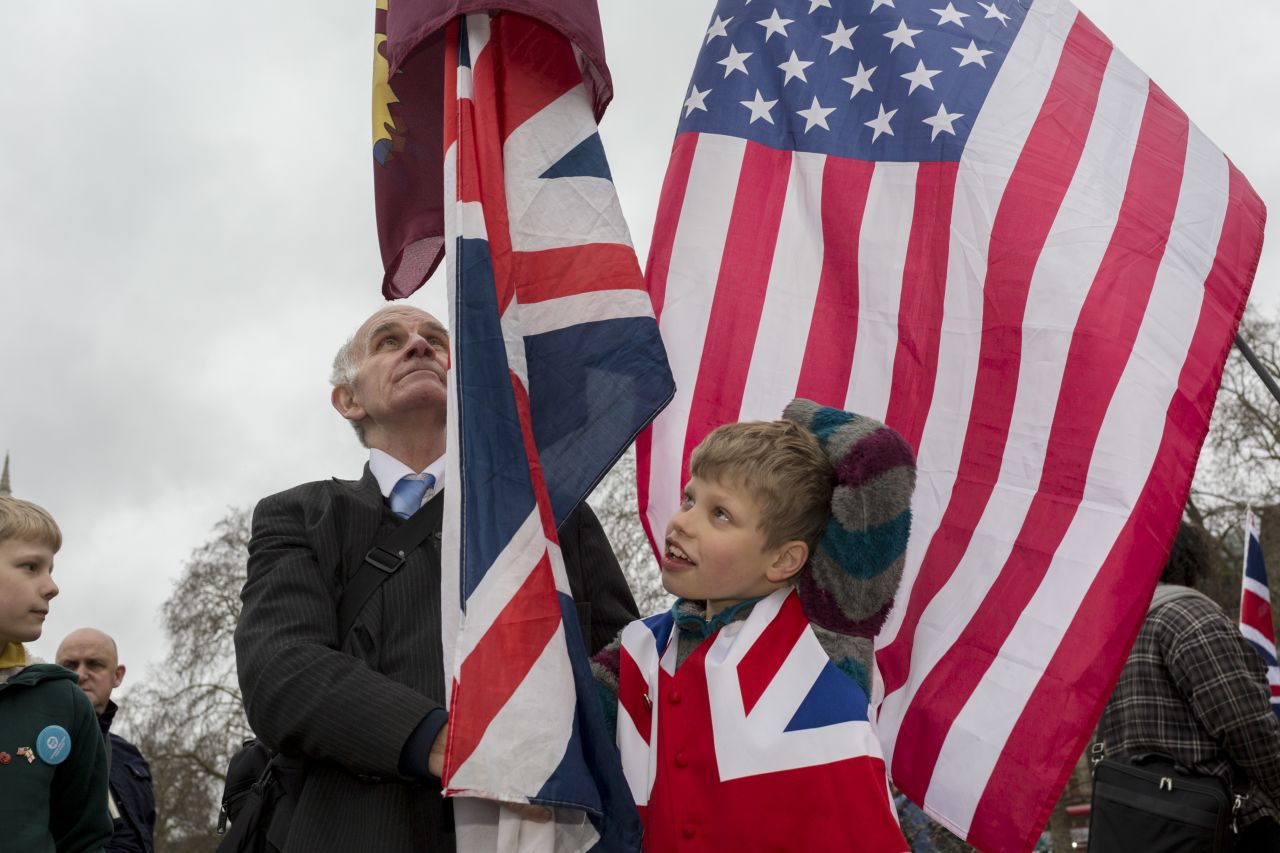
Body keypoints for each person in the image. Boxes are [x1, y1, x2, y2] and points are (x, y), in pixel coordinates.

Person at [234, 305, 639, 853]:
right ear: (349, 400)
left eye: (435, 339)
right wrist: (449, 741)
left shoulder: (553, 513)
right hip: (355, 829)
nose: (419, 346)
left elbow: (627, 664)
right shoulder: (300, 515)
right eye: (388, 341)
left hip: (544, 830)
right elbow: (281, 671)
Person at [591, 399, 916, 851]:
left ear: (784, 560)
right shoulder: (637, 651)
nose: (682, 522)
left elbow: (881, 461)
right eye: (689, 498)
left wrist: (792, 416)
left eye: (719, 513)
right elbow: (559, 729)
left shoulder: (827, 624)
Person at [1099, 521, 1280, 850]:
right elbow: (1245, 725)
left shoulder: (1114, 637)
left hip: (1146, 827)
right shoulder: (1191, 617)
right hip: (1222, 823)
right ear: (1188, 558)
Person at [0, 496, 112, 853]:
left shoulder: (63, 702)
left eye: (51, 570)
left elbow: (85, 839)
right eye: (31, 567)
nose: (52, 587)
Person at [56, 628, 156, 853]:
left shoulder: (130, 755)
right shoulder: (36, 749)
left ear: (117, 675)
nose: (80, 675)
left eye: (94, 664)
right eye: (69, 666)